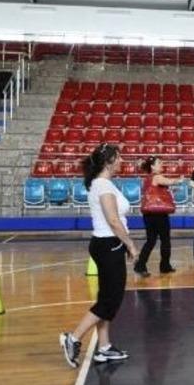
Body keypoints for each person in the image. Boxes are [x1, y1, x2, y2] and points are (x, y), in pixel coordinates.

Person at [60, 143, 139, 368]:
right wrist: (131, 245)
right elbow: (113, 220)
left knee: (106, 297)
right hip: (109, 244)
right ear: (109, 161)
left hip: (106, 245)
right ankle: (73, 338)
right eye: (119, 157)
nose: (122, 161)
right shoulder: (103, 185)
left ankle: (103, 347)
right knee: (109, 300)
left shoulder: (103, 183)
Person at [134, 156, 184, 277]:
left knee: (151, 241)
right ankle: (164, 266)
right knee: (164, 240)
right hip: (158, 214)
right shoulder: (156, 176)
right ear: (152, 166)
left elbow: (160, 191)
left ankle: (141, 265)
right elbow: (169, 181)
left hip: (150, 213)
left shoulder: (148, 179)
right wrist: (179, 179)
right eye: (159, 163)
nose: (162, 164)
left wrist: (171, 190)